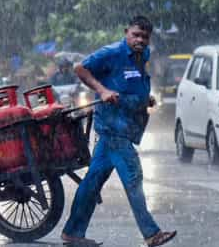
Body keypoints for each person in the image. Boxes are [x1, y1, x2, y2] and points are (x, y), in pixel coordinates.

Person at [61, 15, 176, 247]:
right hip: (114, 128)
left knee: (92, 181)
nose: (140, 40)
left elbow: (133, 81)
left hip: (124, 126)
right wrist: (102, 91)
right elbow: (80, 68)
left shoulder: (142, 55)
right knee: (133, 178)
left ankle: (72, 232)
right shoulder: (111, 53)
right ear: (126, 32)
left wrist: (145, 98)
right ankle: (151, 233)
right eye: (136, 34)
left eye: (144, 36)